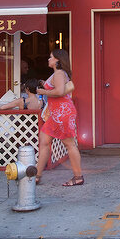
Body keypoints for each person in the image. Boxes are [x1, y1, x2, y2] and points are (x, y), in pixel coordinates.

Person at [35, 49, 83, 186]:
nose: (48, 59)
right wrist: (45, 85)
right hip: (56, 114)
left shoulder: (59, 73)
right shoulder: (58, 74)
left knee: (69, 144)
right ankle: (37, 176)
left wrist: (42, 91)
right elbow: (57, 88)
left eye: (50, 57)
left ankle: (78, 176)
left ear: (57, 60)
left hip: (62, 113)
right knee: (44, 140)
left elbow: (60, 91)